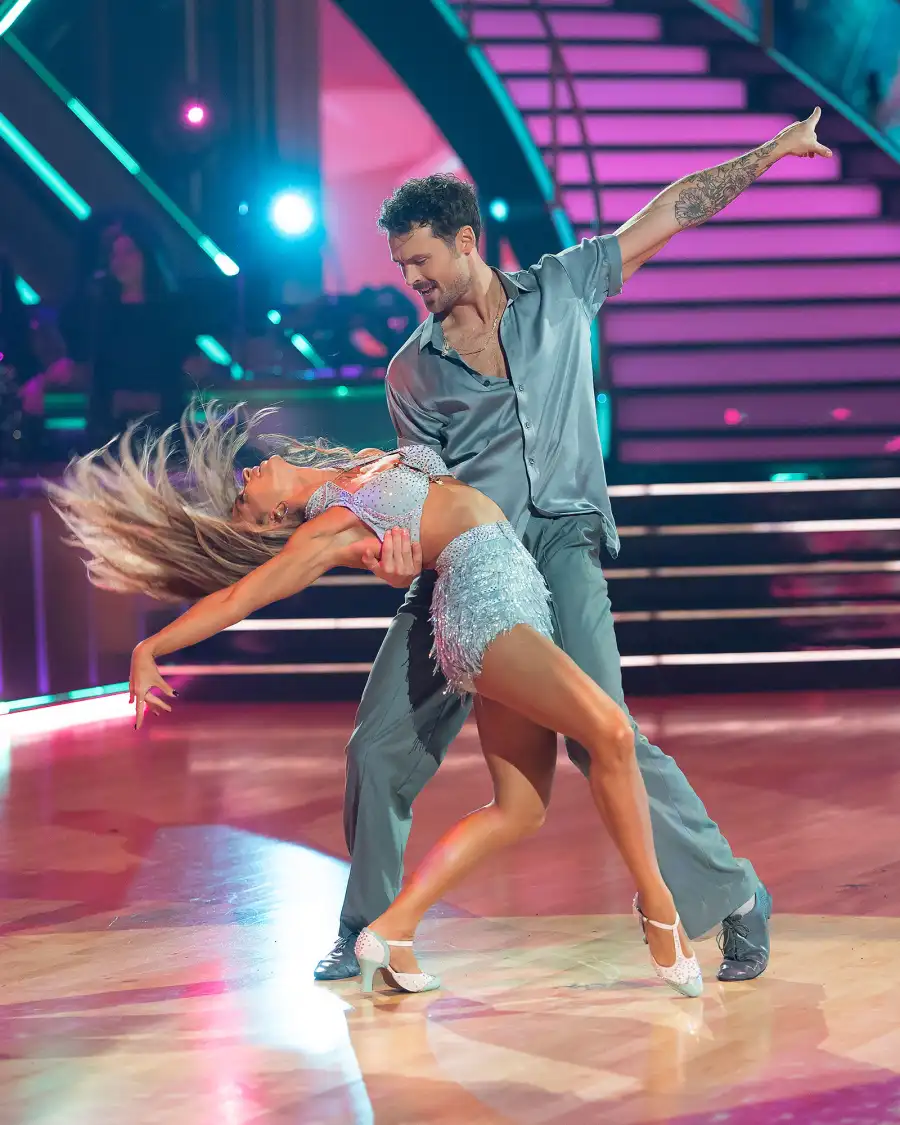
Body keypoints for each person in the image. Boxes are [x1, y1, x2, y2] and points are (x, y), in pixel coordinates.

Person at [314, 108, 833, 985]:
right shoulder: (412, 370)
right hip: (470, 565)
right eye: (401, 265)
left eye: (421, 261)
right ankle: (363, 927)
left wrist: (771, 153)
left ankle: (734, 896)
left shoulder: (563, 286)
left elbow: (671, 211)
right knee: (376, 747)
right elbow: (426, 490)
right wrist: (403, 550)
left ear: (467, 241)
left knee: (605, 738)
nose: (410, 279)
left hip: (560, 546)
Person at [50, 403, 703, 997]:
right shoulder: (328, 527)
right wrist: (150, 648)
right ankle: (659, 910)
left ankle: (391, 929)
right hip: (485, 604)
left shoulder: (354, 471)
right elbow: (239, 598)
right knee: (611, 735)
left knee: (521, 809)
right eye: (246, 495)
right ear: (274, 518)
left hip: (516, 595)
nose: (246, 475)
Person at [57, 217, 199, 446]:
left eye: (129, 251)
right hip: (109, 432)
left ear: (148, 255)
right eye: (114, 254)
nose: (120, 261)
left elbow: (183, 365)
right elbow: (87, 365)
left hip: (164, 431)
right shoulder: (99, 309)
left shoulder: (173, 309)